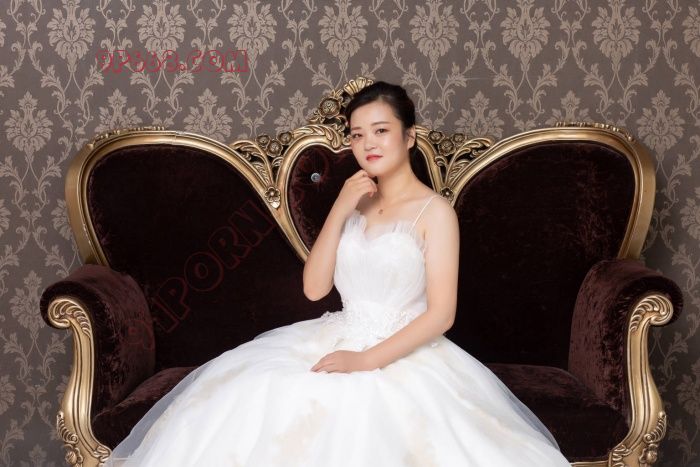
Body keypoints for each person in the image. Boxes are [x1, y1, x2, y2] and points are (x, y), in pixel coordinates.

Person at [104, 81, 571, 466]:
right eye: (357, 134)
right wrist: (342, 206)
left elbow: (442, 314)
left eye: (381, 131)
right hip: (335, 333)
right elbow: (315, 288)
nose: (368, 144)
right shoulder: (354, 203)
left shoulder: (435, 212)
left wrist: (365, 361)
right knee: (257, 398)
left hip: (404, 352)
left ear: (409, 136)